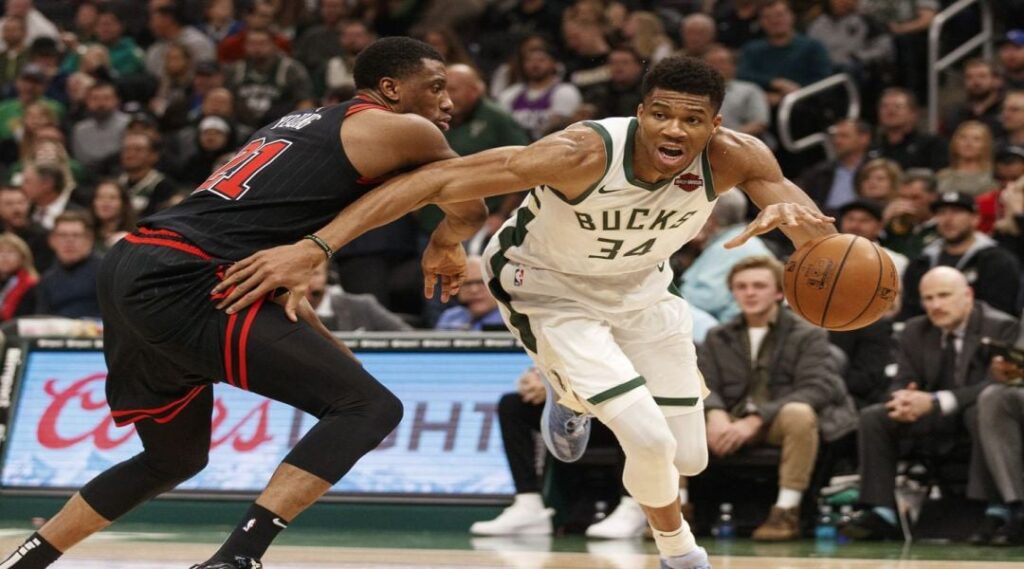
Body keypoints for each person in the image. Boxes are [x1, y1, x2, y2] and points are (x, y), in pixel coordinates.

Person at [213, 55, 836, 569]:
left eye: (692, 120)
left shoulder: (736, 157)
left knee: (688, 458)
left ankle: (569, 393)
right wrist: (319, 247)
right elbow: (435, 182)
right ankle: (680, 552)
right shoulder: (581, 152)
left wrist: (804, 229)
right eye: (661, 114)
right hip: (548, 288)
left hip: (643, 290)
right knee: (645, 439)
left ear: (715, 125)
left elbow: (825, 243)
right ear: (640, 112)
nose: (674, 131)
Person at [0, 37, 486, 569]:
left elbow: (269, 262)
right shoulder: (405, 129)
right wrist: (445, 240)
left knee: (173, 457)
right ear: (390, 89)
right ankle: (237, 558)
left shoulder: (294, 124)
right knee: (371, 408)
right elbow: (471, 204)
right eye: (435, 87)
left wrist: (328, 345)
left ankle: (24, 562)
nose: (447, 102)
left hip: (134, 262)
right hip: (187, 276)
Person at [840, 266, 1018, 540]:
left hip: (975, 415)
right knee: (875, 416)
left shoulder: (1000, 326)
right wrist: (902, 399)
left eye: (944, 296)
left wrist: (936, 401)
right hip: (930, 416)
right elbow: (903, 378)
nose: (936, 305)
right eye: (928, 298)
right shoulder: (915, 329)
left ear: (968, 295)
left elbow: (997, 385)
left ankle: (995, 510)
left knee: (981, 409)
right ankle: (882, 512)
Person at [697, 255, 857, 541]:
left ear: (779, 293)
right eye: (741, 286)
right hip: (730, 417)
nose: (750, 293)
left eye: (759, 286)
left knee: (799, 412)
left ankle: (786, 511)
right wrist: (715, 413)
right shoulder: (716, 336)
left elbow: (817, 388)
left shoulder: (808, 334)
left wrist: (756, 419)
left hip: (776, 421)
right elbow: (703, 383)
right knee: (675, 415)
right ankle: (676, 509)